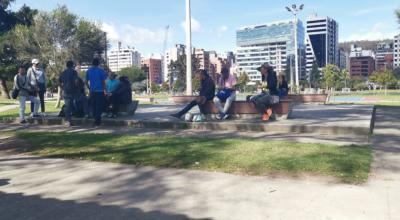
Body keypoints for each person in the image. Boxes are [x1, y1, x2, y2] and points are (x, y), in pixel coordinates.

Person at [85, 58, 107, 127]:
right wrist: (105, 90)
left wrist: (89, 88)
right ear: (98, 64)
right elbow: (103, 82)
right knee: (98, 107)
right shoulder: (101, 71)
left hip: (92, 91)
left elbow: (86, 81)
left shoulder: (88, 71)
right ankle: (97, 122)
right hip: (100, 91)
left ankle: (95, 120)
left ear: (92, 63)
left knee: (93, 106)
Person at [59, 61, 79, 127]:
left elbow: (59, 81)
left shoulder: (63, 72)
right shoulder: (74, 72)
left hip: (65, 91)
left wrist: (62, 88)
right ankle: (68, 121)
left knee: (68, 106)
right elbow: (76, 81)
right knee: (71, 106)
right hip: (72, 91)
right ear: (72, 65)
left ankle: (69, 120)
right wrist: (77, 86)